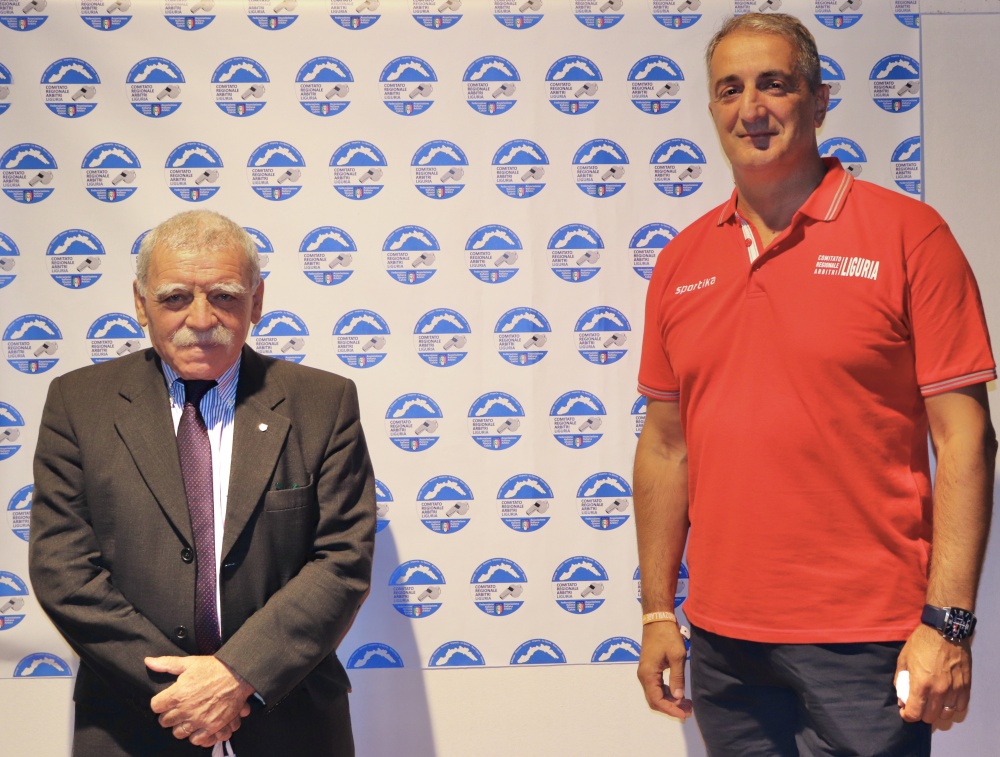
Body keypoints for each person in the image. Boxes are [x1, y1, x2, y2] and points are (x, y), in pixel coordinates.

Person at [634, 13, 996, 756]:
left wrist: (949, 623)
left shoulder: (910, 236)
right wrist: (658, 613)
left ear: (820, 99)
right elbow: (666, 448)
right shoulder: (680, 262)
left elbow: (966, 439)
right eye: (729, 89)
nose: (751, 108)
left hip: (869, 641)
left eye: (775, 83)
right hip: (726, 645)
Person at [30, 210, 376, 756]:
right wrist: (183, 694)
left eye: (224, 296)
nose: (200, 318)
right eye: (174, 298)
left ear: (256, 302)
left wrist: (238, 676)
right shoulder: (78, 404)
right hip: (135, 716)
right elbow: (62, 569)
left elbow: (342, 561)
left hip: (290, 714)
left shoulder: (323, 403)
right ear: (140, 303)